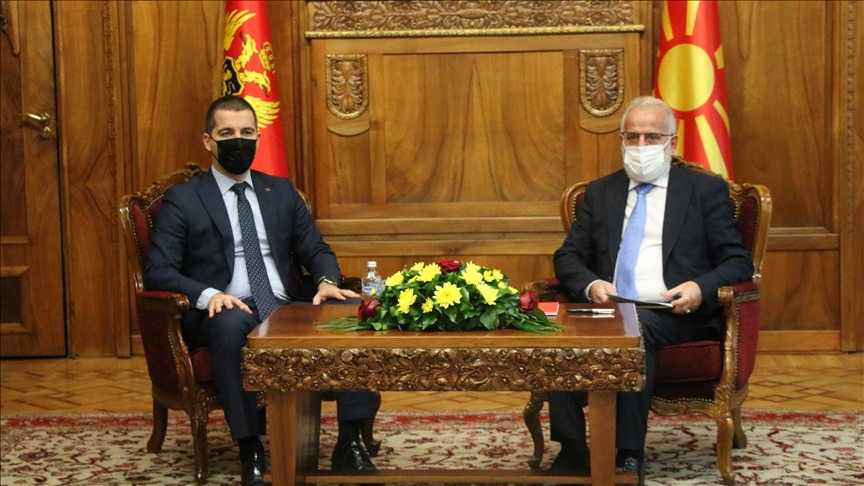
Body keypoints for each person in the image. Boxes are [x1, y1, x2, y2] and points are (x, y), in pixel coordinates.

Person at [143, 95, 379, 486]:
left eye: (247, 132)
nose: (239, 141)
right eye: (227, 133)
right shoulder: (185, 198)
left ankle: (350, 441)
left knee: (353, 311)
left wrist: (326, 282)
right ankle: (250, 447)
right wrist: (208, 294)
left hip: (287, 305)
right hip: (226, 307)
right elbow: (158, 271)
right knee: (232, 323)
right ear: (208, 141)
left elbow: (316, 250)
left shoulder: (280, 191)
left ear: (257, 137)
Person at [548, 96, 753, 486]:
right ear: (622, 140)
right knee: (559, 332)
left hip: (673, 311)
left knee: (636, 327)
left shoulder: (704, 191)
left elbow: (738, 261)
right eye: (633, 137)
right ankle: (572, 448)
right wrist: (592, 284)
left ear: (671, 142)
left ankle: (628, 453)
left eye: (652, 137)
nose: (641, 145)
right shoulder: (601, 192)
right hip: (608, 307)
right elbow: (568, 257)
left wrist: (699, 287)